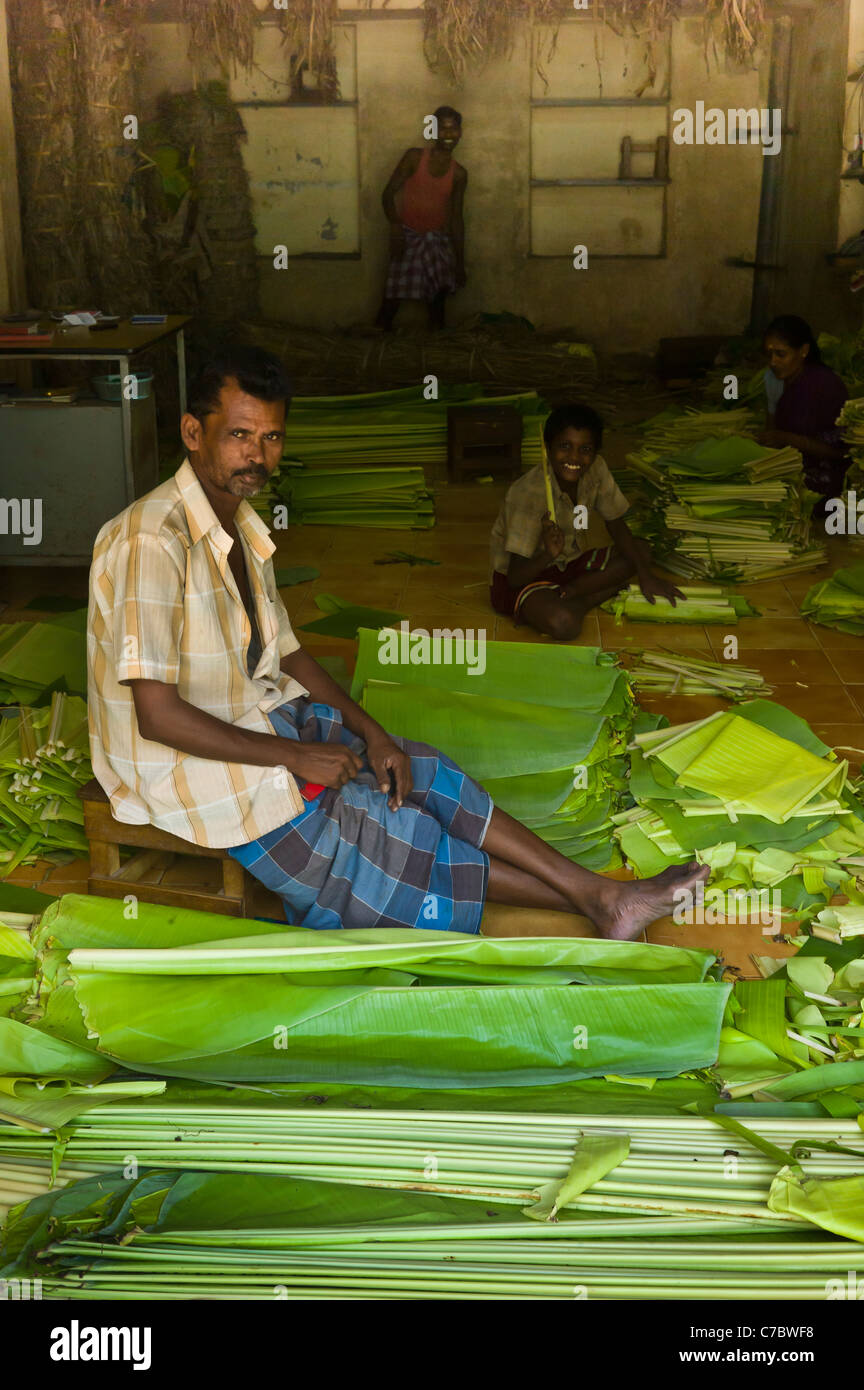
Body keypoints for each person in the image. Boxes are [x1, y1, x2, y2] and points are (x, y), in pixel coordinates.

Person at [88, 347, 707, 942]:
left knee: (419, 774)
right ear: (194, 433)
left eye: (271, 437)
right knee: (380, 834)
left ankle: (602, 896)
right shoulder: (152, 540)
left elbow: (289, 653)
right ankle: (601, 898)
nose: (258, 455)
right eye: (239, 435)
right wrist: (294, 758)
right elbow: (158, 715)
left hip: (251, 715)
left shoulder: (241, 526)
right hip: (180, 764)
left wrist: (373, 732)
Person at [490, 403, 682, 640]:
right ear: (547, 448)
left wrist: (646, 576)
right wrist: (548, 554)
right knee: (564, 624)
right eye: (564, 446)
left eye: (585, 449)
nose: (574, 458)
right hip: (527, 578)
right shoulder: (528, 493)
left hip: (571, 565)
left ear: (595, 452)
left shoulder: (596, 469)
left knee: (641, 551)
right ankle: (586, 598)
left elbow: (615, 523)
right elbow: (515, 577)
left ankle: (572, 592)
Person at [376, 105, 467, 331]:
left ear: (460, 132)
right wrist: (396, 228)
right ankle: (374, 351)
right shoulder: (414, 158)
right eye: (442, 129)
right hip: (408, 237)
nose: (448, 135)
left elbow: (456, 219)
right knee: (392, 300)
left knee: (438, 303)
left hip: (436, 239)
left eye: (453, 129)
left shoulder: (459, 174)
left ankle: (435, 357)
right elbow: (387, 194)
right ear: (432, 132)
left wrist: (459, 263)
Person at [759, 315, 850, 512]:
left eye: (781, 354)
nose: (773, 362)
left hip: (823, 475)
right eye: (769, 354)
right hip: (788, 466)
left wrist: (787, 439)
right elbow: (771, 430)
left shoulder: (826, 386)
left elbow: (842, 452)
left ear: (804, 351)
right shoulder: (773, 379)